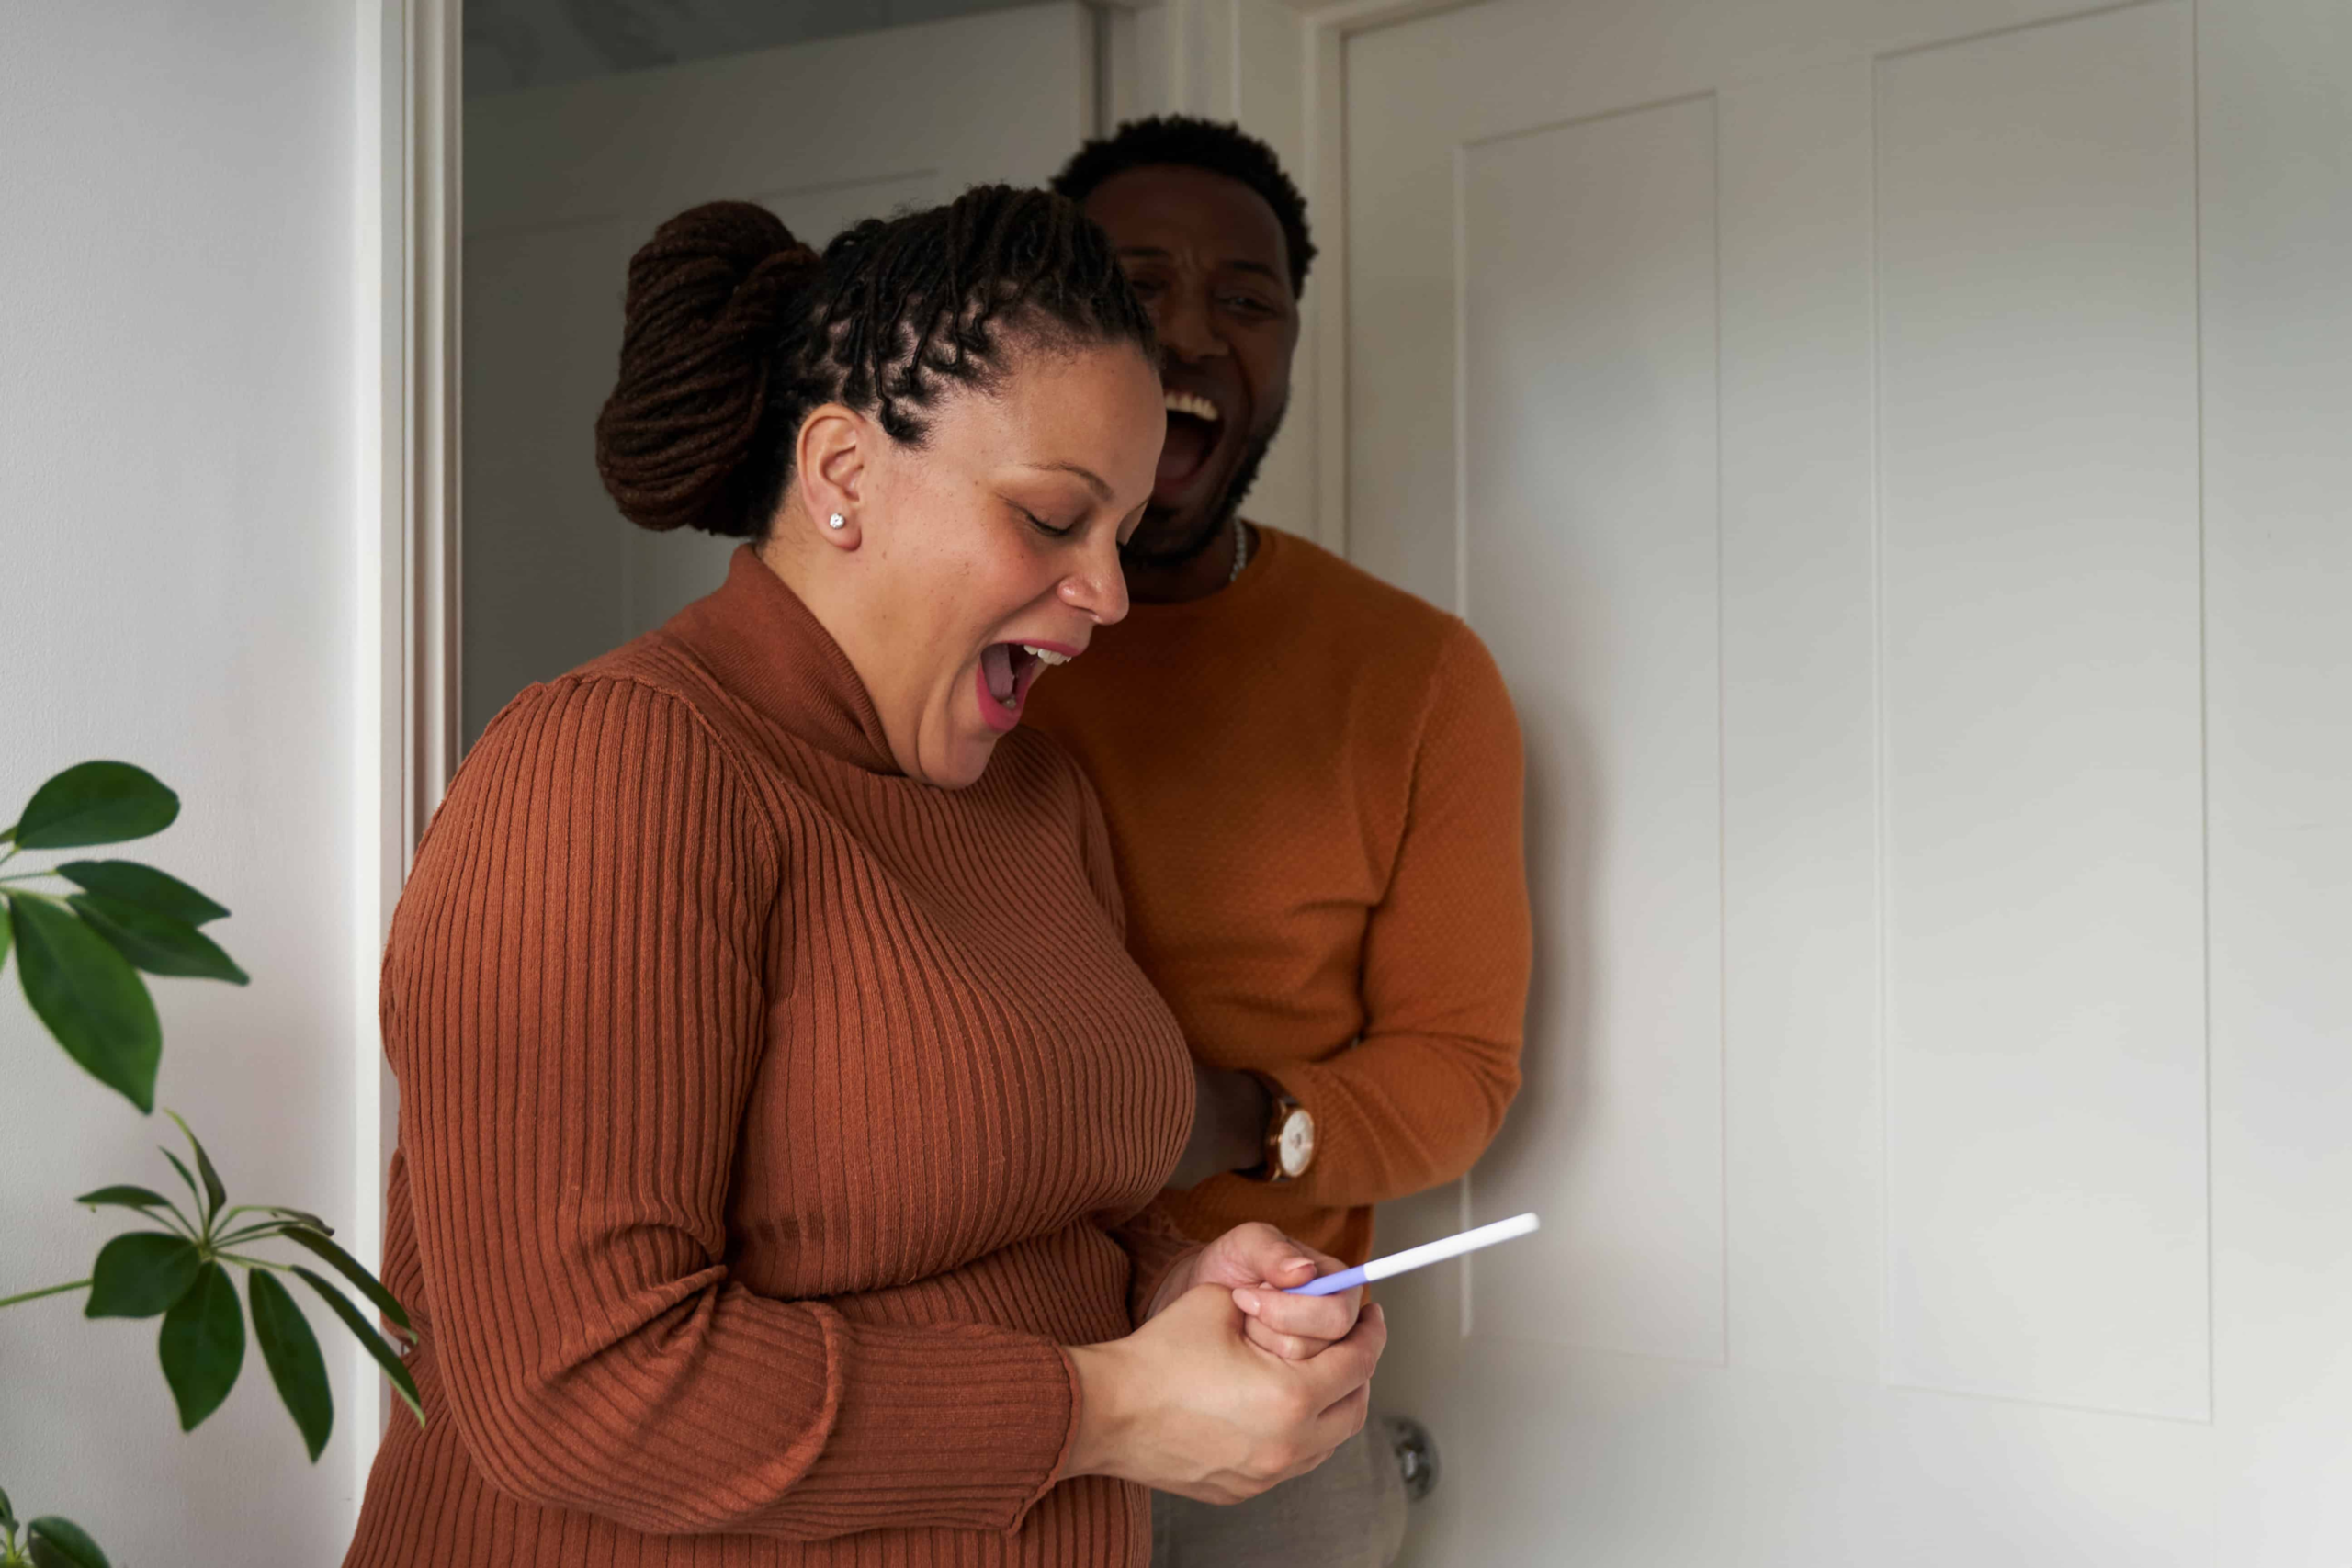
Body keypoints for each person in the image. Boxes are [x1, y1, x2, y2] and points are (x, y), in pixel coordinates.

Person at [341, 186, 1387, 1568]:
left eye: (1120, 534)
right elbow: (580, 1387)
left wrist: (1188, 1287)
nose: (1110, 596)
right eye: (1052, 518)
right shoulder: (616, 766)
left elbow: (1063, 1215)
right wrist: (1106, 1405)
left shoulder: (1038, 800)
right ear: (839, 472)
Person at [1025, 119, 1533, 1567]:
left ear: (1292, 347)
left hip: (1266, 1411)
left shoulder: (1416, 675)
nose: (1191, 332)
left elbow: (1461, 1069)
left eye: (1245, 299)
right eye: (1135, 286)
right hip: (984, 1368)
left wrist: (1226, 1115)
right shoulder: (957, 638)